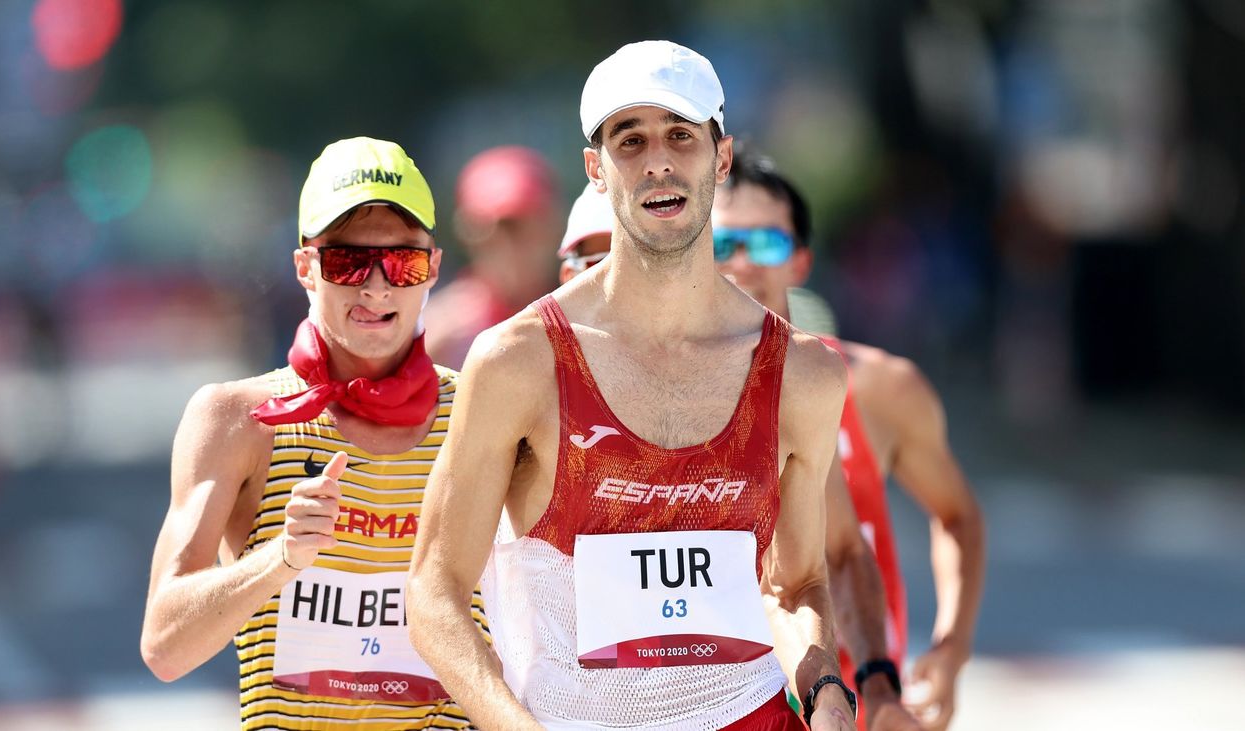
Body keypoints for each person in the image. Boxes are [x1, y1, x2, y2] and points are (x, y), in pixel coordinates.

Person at [407, 40, 857, 730]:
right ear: (594, 168)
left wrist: (828, 692)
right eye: (630, 140)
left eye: (681, 134)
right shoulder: (518, 362)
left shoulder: (804, 372)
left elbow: (797, 585)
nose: (658, 162)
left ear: (722, 157)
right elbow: (434, 591)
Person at [141, 137, 488, 730]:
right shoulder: (237, 418)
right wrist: (282, 557)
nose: (377, 288)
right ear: (305, 267)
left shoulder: (483, 410)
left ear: (433, 267)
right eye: (348, 262)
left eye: (403, 262)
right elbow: (165, 647)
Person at [557, 178, 920, 731]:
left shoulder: (764, 389)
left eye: (637, 253)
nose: (621, 274)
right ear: (567, 274)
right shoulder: (518, 377)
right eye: (599, 257)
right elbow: (443, 591)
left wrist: (864, 688)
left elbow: (827, 563)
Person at [712, 147, 986, 731]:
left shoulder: (878, 387)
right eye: (720, 245)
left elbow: (956, 517)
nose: (739, 263)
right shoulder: (667, 394)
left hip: (857, 701)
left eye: (765, 244)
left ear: (801, 262)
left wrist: (950, 648)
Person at [422, 146, 562, 369]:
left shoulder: (584, 315)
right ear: (468, 234)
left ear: (553, 226)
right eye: (491, 230)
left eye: (523, 226)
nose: (509, 246)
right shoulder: (441, 335)